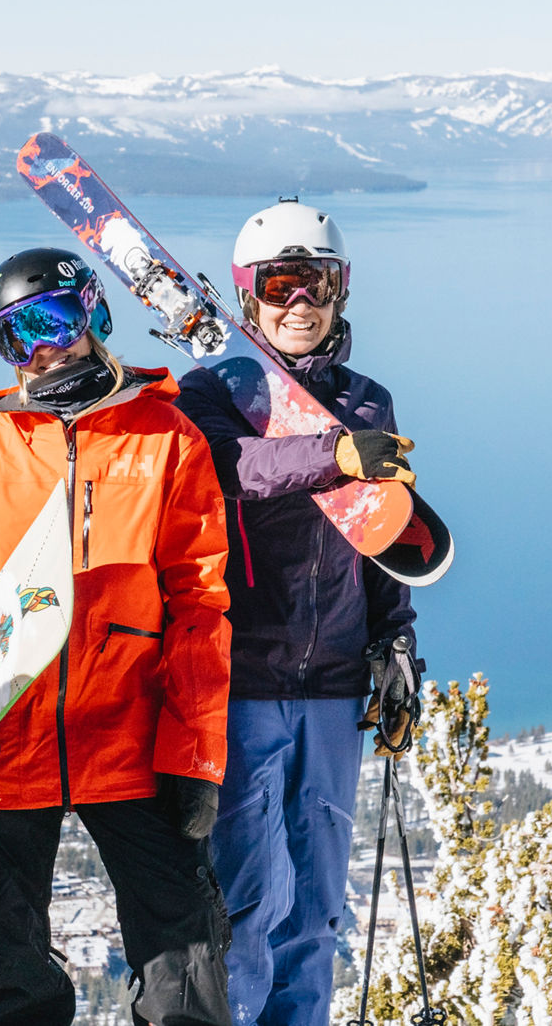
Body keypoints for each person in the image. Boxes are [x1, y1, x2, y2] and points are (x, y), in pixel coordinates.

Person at [0, 247, 234, 1026]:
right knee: (13, 968)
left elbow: (199, 603)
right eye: (16, 337)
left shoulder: (165, 436)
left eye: (53, 321)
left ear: (93, 314)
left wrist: (195, 754)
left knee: (182, 958)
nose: (43, 349)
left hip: (133, 738)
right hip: (7, 741)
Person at [174, 200, 420, 1026]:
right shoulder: (211, 395)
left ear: (340, 288)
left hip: (335, 686)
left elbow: (383, 533)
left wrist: (394, 641)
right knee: (248, 903)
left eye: (315, 282)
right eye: (280, 284)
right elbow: (230, 467)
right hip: (244, 682)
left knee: (316, 909)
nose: (299, 302)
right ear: (249, 294)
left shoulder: (367, 404)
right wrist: (334, 453)